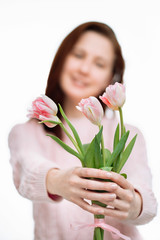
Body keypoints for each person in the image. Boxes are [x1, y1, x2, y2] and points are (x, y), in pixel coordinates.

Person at [8, 21, 157, 240]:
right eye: (78, 55)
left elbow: (148, 201)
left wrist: (134, 204)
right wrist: (58, 181)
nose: (84, 69)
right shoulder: (27, 132)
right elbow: (27, 170)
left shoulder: (127, 133)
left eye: (99, 64)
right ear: (61, 58)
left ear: (111, 77)